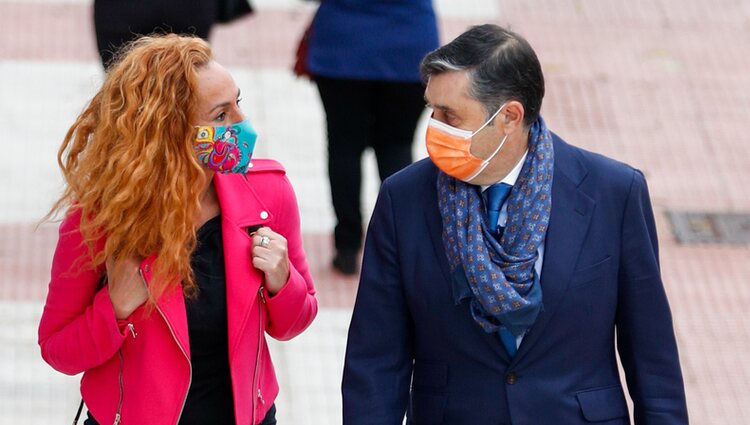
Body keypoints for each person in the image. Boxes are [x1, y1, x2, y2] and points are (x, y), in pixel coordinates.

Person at [342, 24, 688, 424]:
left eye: (450, 115)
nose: (434, 128)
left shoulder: (614, 193)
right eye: (431, 111)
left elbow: (652, 356)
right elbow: (376, 358)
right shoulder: (403, 198)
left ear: (509, 116)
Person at [38, 34, 317, 425]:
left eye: (239, 104)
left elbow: (295, 321)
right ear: (168, 131)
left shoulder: (267, 194)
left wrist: (283, 280)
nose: (242, 124)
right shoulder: (100, 219)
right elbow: (57, 349)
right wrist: (114, 308)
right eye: (220, 116)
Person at [305, 0, 439, 274]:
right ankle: (399, 247)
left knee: (344, 149)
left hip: (342, 44)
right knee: (397, 147)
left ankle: (347, 247)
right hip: (409, 45)